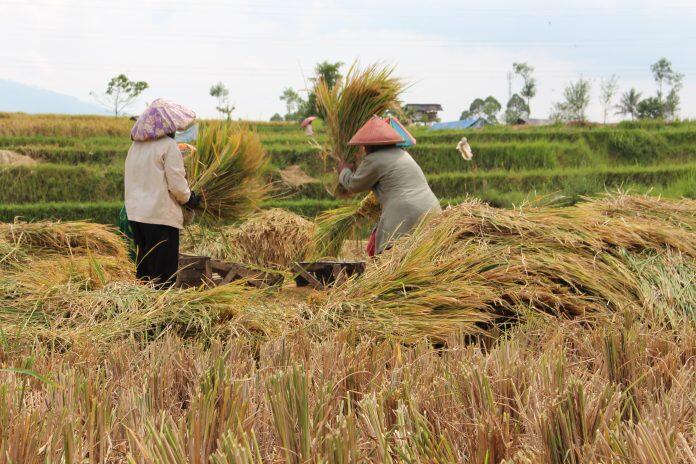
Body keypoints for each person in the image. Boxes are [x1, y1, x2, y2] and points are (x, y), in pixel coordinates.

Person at [124, 99, 201, 288]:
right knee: (163, 276)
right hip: (160, 217)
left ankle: (141, 310)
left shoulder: (136, 147)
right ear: (167, 127)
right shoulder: (168, 145)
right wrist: (190, 198)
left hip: (136, 216)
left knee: (145, 270)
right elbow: (177, 185)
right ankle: (160, 312)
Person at [338, 115, 441, 255]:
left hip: (405, 212)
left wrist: (344, 170)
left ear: (372, 145)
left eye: (365, 145)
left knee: (387, 257)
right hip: (432, 209)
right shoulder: (403, 154)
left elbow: (353, 184)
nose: (363, 149)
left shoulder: (374, 159)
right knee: (422, 255)